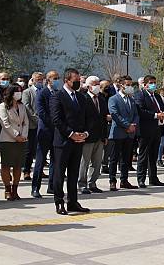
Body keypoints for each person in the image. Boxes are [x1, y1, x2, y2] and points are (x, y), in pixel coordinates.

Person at [50, 68, 92, 215]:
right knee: (59, 173)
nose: (78, 83)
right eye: (75, 80)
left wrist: (85, 133)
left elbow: (87, 118)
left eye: (79, 80)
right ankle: (59, 202)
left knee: (73, 173)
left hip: (79, 141)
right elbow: (56, 119)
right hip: (63, 141)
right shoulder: (57, 96)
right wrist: (71, 134)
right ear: (66, 80)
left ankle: (73, 202)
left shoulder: (81, 97)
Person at [134, 75, 164, 188]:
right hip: (145, 129)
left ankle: (153, 178)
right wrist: (155, 115)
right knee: (143, 155)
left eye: (155, 82)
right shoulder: (140, 95)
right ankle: (141, 179)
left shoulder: (157, 96)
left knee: (153, 156)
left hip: (157, 129)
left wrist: (163, 114)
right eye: (151, 83)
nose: (154, 85)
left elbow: (162, 108)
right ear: (145, 84)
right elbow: (141, 111)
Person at [31, 71, 60, 198]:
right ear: (48, 80)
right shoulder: (42, 93)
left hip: (57, 132)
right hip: (45, 130)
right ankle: (35, 188)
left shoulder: (58, 93)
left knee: (55, 159)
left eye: (58, 78)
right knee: (41, 159)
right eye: (55, 78)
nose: (57, 80)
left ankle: (51, 186)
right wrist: (53, 123)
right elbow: (41, 112)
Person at [108, 75, 139, 191]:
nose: (130, 87)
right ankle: (112, 180)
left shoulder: (131, 99)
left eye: (131, 85)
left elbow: (136, 114)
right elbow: (115, 115)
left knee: (126, 158)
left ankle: (124, 180)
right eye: (128, 85)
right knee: (114, 158)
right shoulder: (113, 99)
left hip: (129, 133)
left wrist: (133, 125)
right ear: (121, 85)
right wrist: (127, 125)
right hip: (118, 133)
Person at [78, 76, 108, 194]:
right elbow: (81, 119)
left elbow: (104, 118)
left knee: (97, 162)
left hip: (100, 136)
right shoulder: (83, 99)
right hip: (88, 136)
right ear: (88, 86)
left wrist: (105, 136)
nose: (96, 87)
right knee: (84, 162)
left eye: (98, 84)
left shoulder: (101, 99)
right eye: (94, 84)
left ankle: (92, 183)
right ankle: (82, 184)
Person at [0, 84, 28, 200]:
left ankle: (15, 189)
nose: (19, 93)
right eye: (17, 91)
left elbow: (25, 122)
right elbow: (5, 124)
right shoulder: (3, 106)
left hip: (21, 140)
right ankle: (7, 189)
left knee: (17, 166)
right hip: (8, 140)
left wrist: (24, 135)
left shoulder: (22, 106)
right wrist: (16, 135)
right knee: (6, 166)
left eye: (20, 91)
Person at [21, 72, 43, 180]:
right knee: (30, 149)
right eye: (38, 79)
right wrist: (37, 119)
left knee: (41, 149)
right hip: (32, 125)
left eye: (41, 79)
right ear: (33, 80)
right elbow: (27, 107)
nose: (40, 81)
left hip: (44, 125)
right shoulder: (27, 92)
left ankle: (40, 170)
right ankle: (26, 170)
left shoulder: (44, 91)